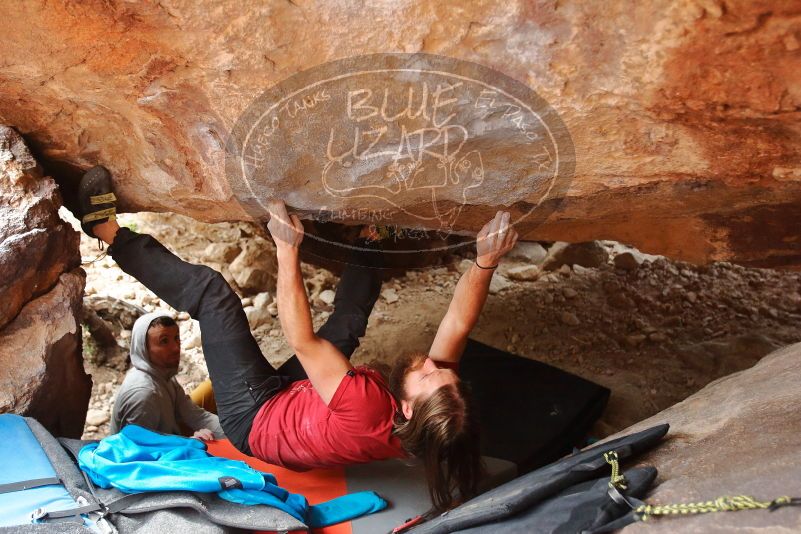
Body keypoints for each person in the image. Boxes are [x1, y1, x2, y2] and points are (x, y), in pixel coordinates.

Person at [77, 164, 518, 512]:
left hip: (257, 418)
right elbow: (457, 325)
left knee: (215, 297)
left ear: (404, 409)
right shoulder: (433, 410)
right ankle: (373, 236)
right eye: (443, 372)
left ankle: (104, 231)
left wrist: (287, 248)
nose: (432, 364)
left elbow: (302, 339)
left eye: (428, 375)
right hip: (302, 409)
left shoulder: (368, 405)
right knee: (346, 327)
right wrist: (485, 262)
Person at [109, 310, 225, 441]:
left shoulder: (163, 374)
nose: (175, 348)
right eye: (164, 341)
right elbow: (138, 454)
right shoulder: (143, 396)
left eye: (176, 338)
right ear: (144, 349)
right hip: (155, 455)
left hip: (168, 439)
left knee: (213, 387)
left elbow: (197, 417)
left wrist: (240, 436)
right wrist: (190, 443)